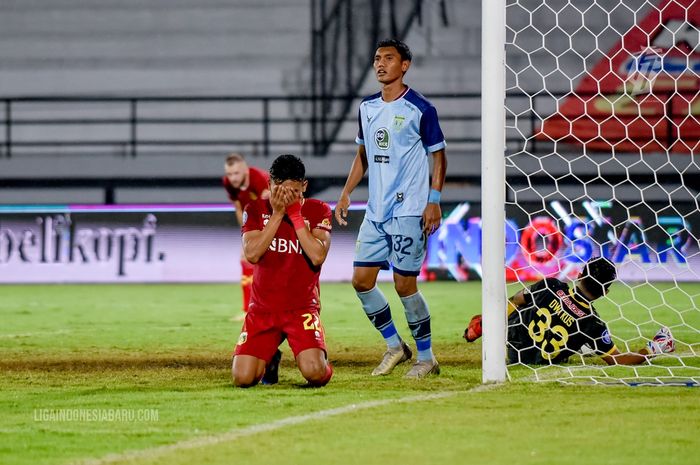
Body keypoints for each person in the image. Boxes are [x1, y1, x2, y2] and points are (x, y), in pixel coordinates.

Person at [335, 39, 447, 378]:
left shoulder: (420, 108)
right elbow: (363, 155)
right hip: (376, 211)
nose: (381, 64)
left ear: (405, 65)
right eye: (377, 59)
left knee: (404, 285)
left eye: (388, 58)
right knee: (361, 280)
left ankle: (426, 358)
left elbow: (438, 156)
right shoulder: (367, 108)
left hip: (410, 209)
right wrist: (345, 193)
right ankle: (395, 346)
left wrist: (434, 201)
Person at [232, 154, 333, 388]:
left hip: (301, 308)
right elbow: (252, 254)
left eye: (293, 191)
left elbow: (318, 257)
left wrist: (295, 214)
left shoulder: (319, 211)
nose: (285, 197)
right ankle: (271, 357)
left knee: (315, 374)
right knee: (243, 378)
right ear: (269, 185)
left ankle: (316, 354)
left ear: (304, 187)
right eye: (279, 190)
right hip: (263, 310)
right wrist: (277, 215)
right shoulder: (256, 209)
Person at [464, 257, 676, 365]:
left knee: (526, 301)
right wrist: (654, 349)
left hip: (512, 348)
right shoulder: (593, 323)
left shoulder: (552, 285)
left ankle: (486, 324)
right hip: (542, 359)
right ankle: (582, 346)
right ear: (606, 291)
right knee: (584, 338)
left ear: (581, 274)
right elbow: (617, 360)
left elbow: (515, 300)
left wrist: (490, 321)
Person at [222, 153, 271, 320]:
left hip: (274, 224)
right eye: (229, 174)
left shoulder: (260, 179)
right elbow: (238, 208)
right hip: (254, 226)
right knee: (245, 261)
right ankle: (248, 311)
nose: (233, 178)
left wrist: (259, 237)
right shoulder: (229, 184)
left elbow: (269, 209)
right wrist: (245, 236)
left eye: (236, 173)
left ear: (245, 169)